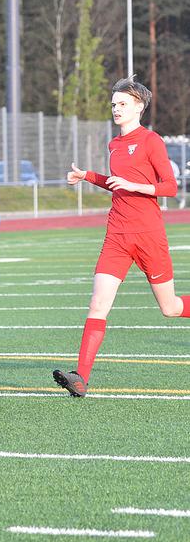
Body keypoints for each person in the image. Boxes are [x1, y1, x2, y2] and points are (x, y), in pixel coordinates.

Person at [52, 76, 190, 397]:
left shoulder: (151, 141)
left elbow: (169, 186)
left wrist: (136, 186)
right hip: (117, 235)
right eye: (113, 104)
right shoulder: (113, 144)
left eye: (122, 104)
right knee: (97, 304)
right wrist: (87, 175)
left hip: (148, 235)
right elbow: (117, 182)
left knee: (169, 308)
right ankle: (80, 378)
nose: (116, 109)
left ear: (139, 106)